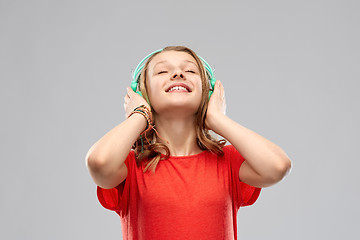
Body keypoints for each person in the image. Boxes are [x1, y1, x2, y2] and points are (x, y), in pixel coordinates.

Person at [85, 46, 292, 240]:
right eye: (162, 71)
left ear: (207, 93)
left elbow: (277, 166)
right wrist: (140, 115)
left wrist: (217, 119)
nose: (177, 74)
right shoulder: (131, 166)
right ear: (142, 94)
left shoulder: (227, 161)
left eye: (190, 70)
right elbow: (99, 162)